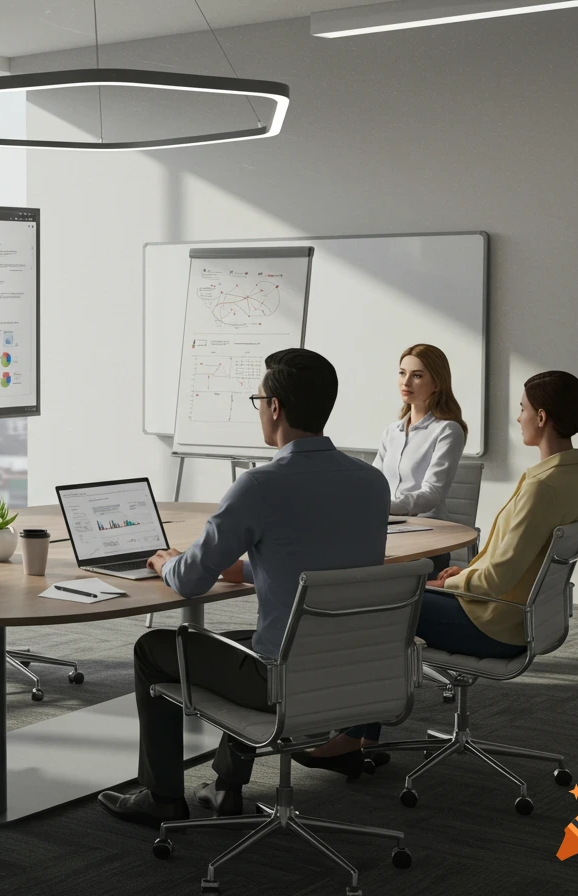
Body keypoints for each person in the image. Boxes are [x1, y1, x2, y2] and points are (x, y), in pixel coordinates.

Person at [97, 349, 390, 827]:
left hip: (278, 680)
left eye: (258, 400)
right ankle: (226, 787)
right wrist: (249, 569)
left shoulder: (259, 485)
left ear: (274, 407)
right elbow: (326, 570)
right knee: (247, 644)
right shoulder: (372, 483)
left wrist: (166, 560)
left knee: (155, 649)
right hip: (352, 670)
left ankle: (162, 796)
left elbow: (191, 580)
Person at [298, 370, 578, 775]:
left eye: (522, 409)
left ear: (541, 418)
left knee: (376, 611)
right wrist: (466, 567)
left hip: (494, 620)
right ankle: (362, 737)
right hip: (519, 615)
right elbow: (514, 557)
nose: (518, 417)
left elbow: (498, 579)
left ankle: (351, 737)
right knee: (391, 598)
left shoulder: (544, 487)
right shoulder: (570, 476)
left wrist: (450, 582)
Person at [373, 344, 468, 571]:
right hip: (388, 530)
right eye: (402, 373)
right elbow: (374, 480)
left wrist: (387, 507)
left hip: (427, 537)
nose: (406, 383)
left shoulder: (448, 430)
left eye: (417, 376)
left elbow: (433, 493)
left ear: (436, 383)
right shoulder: (391, 431)